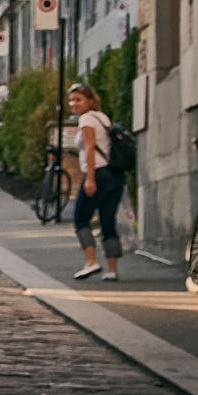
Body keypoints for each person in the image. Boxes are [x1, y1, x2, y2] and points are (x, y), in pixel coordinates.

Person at [67, 83, 124, 282]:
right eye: (72, 99)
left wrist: (90, 178)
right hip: (115, 175)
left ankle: (91, 262)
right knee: (108, 220)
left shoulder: (87, 119)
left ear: (90, 101)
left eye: (78, 99)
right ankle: (112, 269)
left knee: (80, 218)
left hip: (98, 174)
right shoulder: (103, 118)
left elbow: (90, 149)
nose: (73, 103)